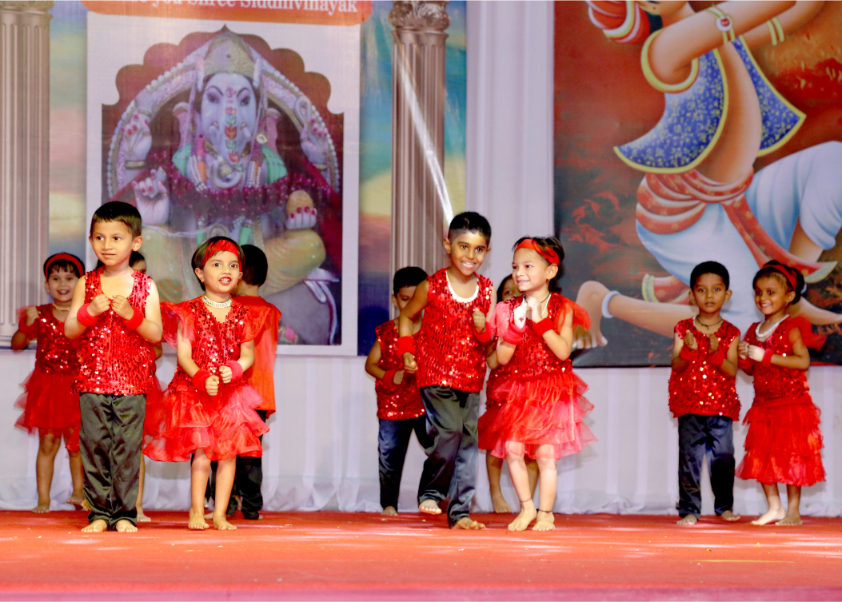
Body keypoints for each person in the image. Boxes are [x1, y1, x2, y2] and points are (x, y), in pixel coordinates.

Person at [577, 1, 842, 350]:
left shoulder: (718, 35)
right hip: (682, 212)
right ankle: (604, 300)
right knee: (743, 324)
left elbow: (793, 11)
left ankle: (789, 290)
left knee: (832, 163)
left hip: (733, 197)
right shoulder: (668, 46)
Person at [143, 237, 270, 531]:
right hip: (196, 394)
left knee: (228, 455)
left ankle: (220, 514)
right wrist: (201, 377)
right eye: (217, 264)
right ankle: (197, 511)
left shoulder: (244, 314)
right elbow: (184, 355)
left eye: (233, 265)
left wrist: (236, 368)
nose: (226, 270)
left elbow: (248, 355)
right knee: (201, 453)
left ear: (240, 274)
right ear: (200, 273)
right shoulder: (188, 311)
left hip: (231, 395)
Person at [65, 202, 163, 533]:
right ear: (91, 240)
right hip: (92, 380)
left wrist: (132, 316)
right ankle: (98, 513)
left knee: (127, 448)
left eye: (117, 238)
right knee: (94, 445)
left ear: (135, 242)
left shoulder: (146, 285)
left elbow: (156, 333)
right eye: (99, 237)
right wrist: (88, 312)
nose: (107, 245)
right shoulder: (86, 283)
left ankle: (124, 513)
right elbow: (70, 329)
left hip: (132, 382)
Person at [490, 237, 595, 532]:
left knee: (546, 454)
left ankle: (546, 512)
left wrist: (541, 321)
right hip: (519, 389)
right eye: (515, 267)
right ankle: (527, 508)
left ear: (550, 271)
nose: (519, 273)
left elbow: (563, 351)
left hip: (551, 390)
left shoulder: (562, 307)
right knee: (513, 449)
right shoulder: (506, 309)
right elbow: (501, 358)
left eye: (527, 266)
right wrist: (515, 328)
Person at [398, 212, 495, 530]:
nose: (470, 256)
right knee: (450, 431)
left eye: (478, 249)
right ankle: (431, 491)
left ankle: (460, 513)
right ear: (448, 245)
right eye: (463, 246)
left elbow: (488, 338)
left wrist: (482, 328)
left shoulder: (487, 290)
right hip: (435, 373)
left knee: (468, 444)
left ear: (487, 251)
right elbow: (407, 317)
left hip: (471, 376)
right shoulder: (432, 285)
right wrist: (406, 351)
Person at [737, 261, 826, 526]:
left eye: (770, 292)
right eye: (758, 292)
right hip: (763, 404)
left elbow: (802, 361)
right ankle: (774, 507)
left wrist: (765, 356)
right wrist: (745, 357)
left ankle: (793, 511)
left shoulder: (791, 327)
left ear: (788, 296)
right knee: (761, 454)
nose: (763, 298)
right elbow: (750, 370)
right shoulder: (754, 330)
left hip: (791, 403)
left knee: (792, 455)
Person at [207, 244, 282, 521]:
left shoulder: (230, 309)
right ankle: (251, 507)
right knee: (251, 453)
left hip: (231, 392)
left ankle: (225, 504)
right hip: (260, 393)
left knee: (221, 451)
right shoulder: (272, 311)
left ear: (238, 274)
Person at [668, 261, 741, 525]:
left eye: (716, 289)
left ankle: (724, 507)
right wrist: (689, 351)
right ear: (691, 294)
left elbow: (731, 371)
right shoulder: (683, 328)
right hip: (689, 404)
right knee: (689, 458)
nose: (709, 296)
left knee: (723, 457)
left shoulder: (731, 332)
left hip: (721, 405)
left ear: (727, 294)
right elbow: (676, 365)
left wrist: (716, 354)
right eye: (702, 290)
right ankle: (689, 509)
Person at [12, 253, 86, 513]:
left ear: (80, 283)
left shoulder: (85, 315)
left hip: (78, 387)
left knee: (77, 444)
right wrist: (26, 326)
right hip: (48, 388)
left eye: (69, 278)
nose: (62, 283)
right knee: (48, 442)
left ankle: (79, 493)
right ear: (47, 284)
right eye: (56, 278)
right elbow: (17, 344)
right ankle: (43, 498)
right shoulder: (39, 313)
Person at [364, 267, 433, 516]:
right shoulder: (387, 331)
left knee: (440, 451)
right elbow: (370, 365)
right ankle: (389, 504)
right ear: (395, 299)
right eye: (405, 299)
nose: (411, 305)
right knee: (389, 456)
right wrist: (390, 375)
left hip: (426, 405)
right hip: (392, 406)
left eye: (417, 299)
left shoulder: (433, 331)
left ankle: (430, 497)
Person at [478, 275, 536, 514]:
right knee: (496, 444)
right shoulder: (497, 326)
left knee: (532, 447)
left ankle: (527, 501)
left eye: (518, 292)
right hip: (502, 390)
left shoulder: (536, 320)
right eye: (507, 292)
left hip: (529, 390)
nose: (513, 297)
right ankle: (495, 494)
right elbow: (493, 362)